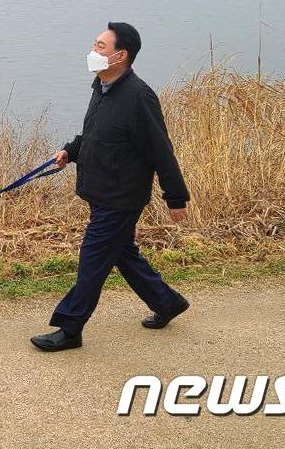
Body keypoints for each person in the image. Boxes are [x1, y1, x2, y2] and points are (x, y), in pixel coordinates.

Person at [30, 21, 192, 352]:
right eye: (95, 45)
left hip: (121, 197)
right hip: (101, 190)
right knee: (121, 252)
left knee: (93, 259)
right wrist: (70, 151)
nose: (93, 52)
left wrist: (176, 197)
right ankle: (166, 302)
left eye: (100, 47)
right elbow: (96, 133)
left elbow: (161, 150)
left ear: (120, 56)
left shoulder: (138, 97)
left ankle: (70, 327)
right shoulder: (103, 87)